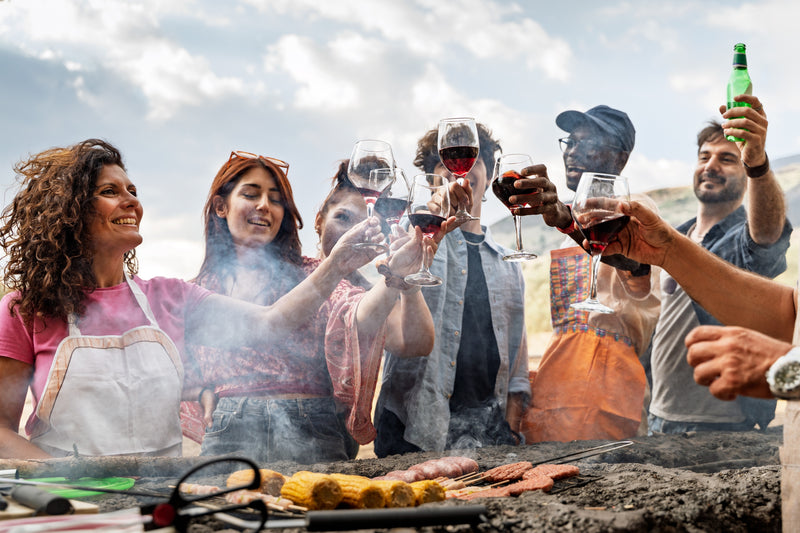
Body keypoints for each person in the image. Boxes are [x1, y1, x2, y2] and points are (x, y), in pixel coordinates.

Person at [0, 139, 392, 459]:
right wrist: (63, 475)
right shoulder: (25, 310)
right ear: (69, 212)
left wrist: (337, 264)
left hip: (159, 492)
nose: (131, 201)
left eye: (132, 191)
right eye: (109, 192)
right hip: (67, 497)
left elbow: (271, 324)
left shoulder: (171, 297)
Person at [599, 98, 797, 529]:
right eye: (704, 156)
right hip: (663, 416)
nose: (711, 165)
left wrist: (759, 162)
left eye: (728, 159)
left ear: (744, 176)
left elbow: (767, 235)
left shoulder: (742, 238)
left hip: (722, 426)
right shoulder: (680, 234)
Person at [191, 151, 435, 464]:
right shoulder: (199, 288)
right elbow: (173, 362)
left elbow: (358, 315)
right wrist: (199, 391)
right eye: (251, 194)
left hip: (312, 431)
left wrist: (398, 273)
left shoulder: (313, 275)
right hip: (228, 436)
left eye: (276, 199)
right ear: (220, 206)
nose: (264, 206)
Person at [374, 123, 531, 455]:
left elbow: (516, 360)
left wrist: (512, 425)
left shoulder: (509, 262)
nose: (461, 170)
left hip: (487, 432)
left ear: (489, 176)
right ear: (432, 178)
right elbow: (393, 259)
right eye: (446, 162)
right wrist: (432, 210)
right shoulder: (413, 238)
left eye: (474, 159)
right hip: (411, 429)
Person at [513, 105, 661, 442]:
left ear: (619, 158)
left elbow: (633, 263)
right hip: (554, 395)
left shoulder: (636, 209)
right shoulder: (571, 214)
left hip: (608, 399)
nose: (572, 152)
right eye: (570, 142)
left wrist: (569, 223)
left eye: (588, 142)